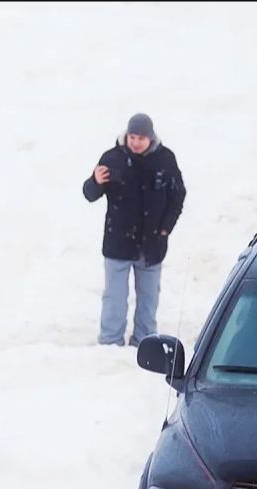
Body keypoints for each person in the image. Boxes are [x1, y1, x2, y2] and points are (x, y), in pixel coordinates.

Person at [83, 113, 186, 347]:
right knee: (114, 299)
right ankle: (110, 343)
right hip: (118, 243)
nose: (136, 142)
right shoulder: (112, 158)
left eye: (141, 137)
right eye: (132, 136)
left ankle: (144, 342)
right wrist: (95, 181)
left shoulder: (165, 160)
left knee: (149, 299)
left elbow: (177, 196)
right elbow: (90, 194)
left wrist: (165, 229)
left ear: (151, 138)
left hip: (152, 245)